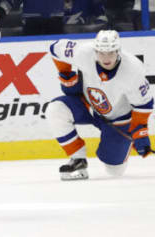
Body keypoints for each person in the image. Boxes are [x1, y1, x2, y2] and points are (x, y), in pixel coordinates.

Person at [47, 30, 152, 181]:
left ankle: (121, 148)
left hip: (119, 121)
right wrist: (66, 74)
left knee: (114, 171)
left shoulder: (133, 69)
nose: (106, 58)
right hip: (88, 106)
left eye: (110, 53)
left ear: (118, 51)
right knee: (56, 110)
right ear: (95, 50)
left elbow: (144, 104)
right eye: (101, 53)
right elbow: (55, 48)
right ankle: (78, 160)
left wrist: (140, 132)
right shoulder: (84, 52)